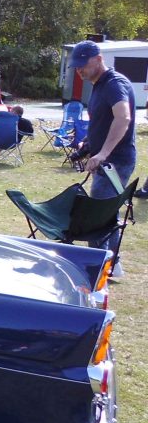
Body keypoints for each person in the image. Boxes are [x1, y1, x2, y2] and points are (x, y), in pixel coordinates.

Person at [70, 40, 137, 275]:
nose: (79, 70)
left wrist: (103, 153)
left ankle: (96, 268)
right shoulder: (98, 85)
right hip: (107, 159)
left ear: (98, 59)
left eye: (83, 65)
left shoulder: (114, 83)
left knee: (98, 214)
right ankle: (112, 264)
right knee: (108, 212)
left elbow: (123, 118)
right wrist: (88, 145)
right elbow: (103, 121)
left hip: (115, 161)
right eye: (76, 66)